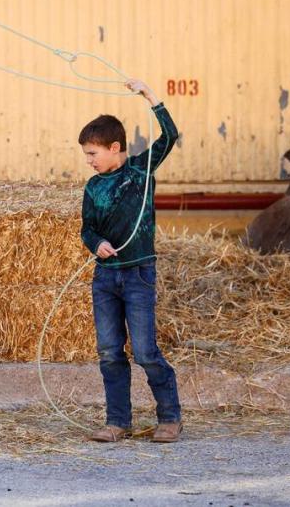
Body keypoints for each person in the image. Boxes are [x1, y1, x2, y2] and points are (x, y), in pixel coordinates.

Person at [78, 78, 182, 443]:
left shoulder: (140, 170)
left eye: (93, 154)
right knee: (109, 352)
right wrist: (98, 244)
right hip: (105, 278)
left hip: (138, 274)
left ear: (115, 147)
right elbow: (87, 229)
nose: (88, 161)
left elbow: (169, 136)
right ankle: (117, 422)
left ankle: (170, 417)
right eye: (86, 155)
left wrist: (151, 98)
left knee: (144, 351)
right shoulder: (92, 188)